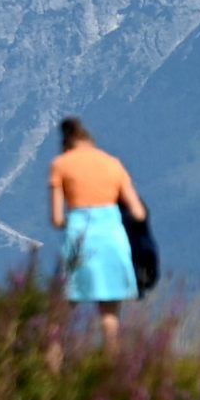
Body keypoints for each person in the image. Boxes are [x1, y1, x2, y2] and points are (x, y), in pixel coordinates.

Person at [47, 115, 148, 348]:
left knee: (58, 315)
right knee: (110, 316)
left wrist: (73, 221)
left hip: (79, 238)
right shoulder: (113, 164)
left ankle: (52, 375)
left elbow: (57, 218)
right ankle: (111, 372)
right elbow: (139, 212)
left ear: (66, 143)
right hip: (112, 238)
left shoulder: (61, 165)